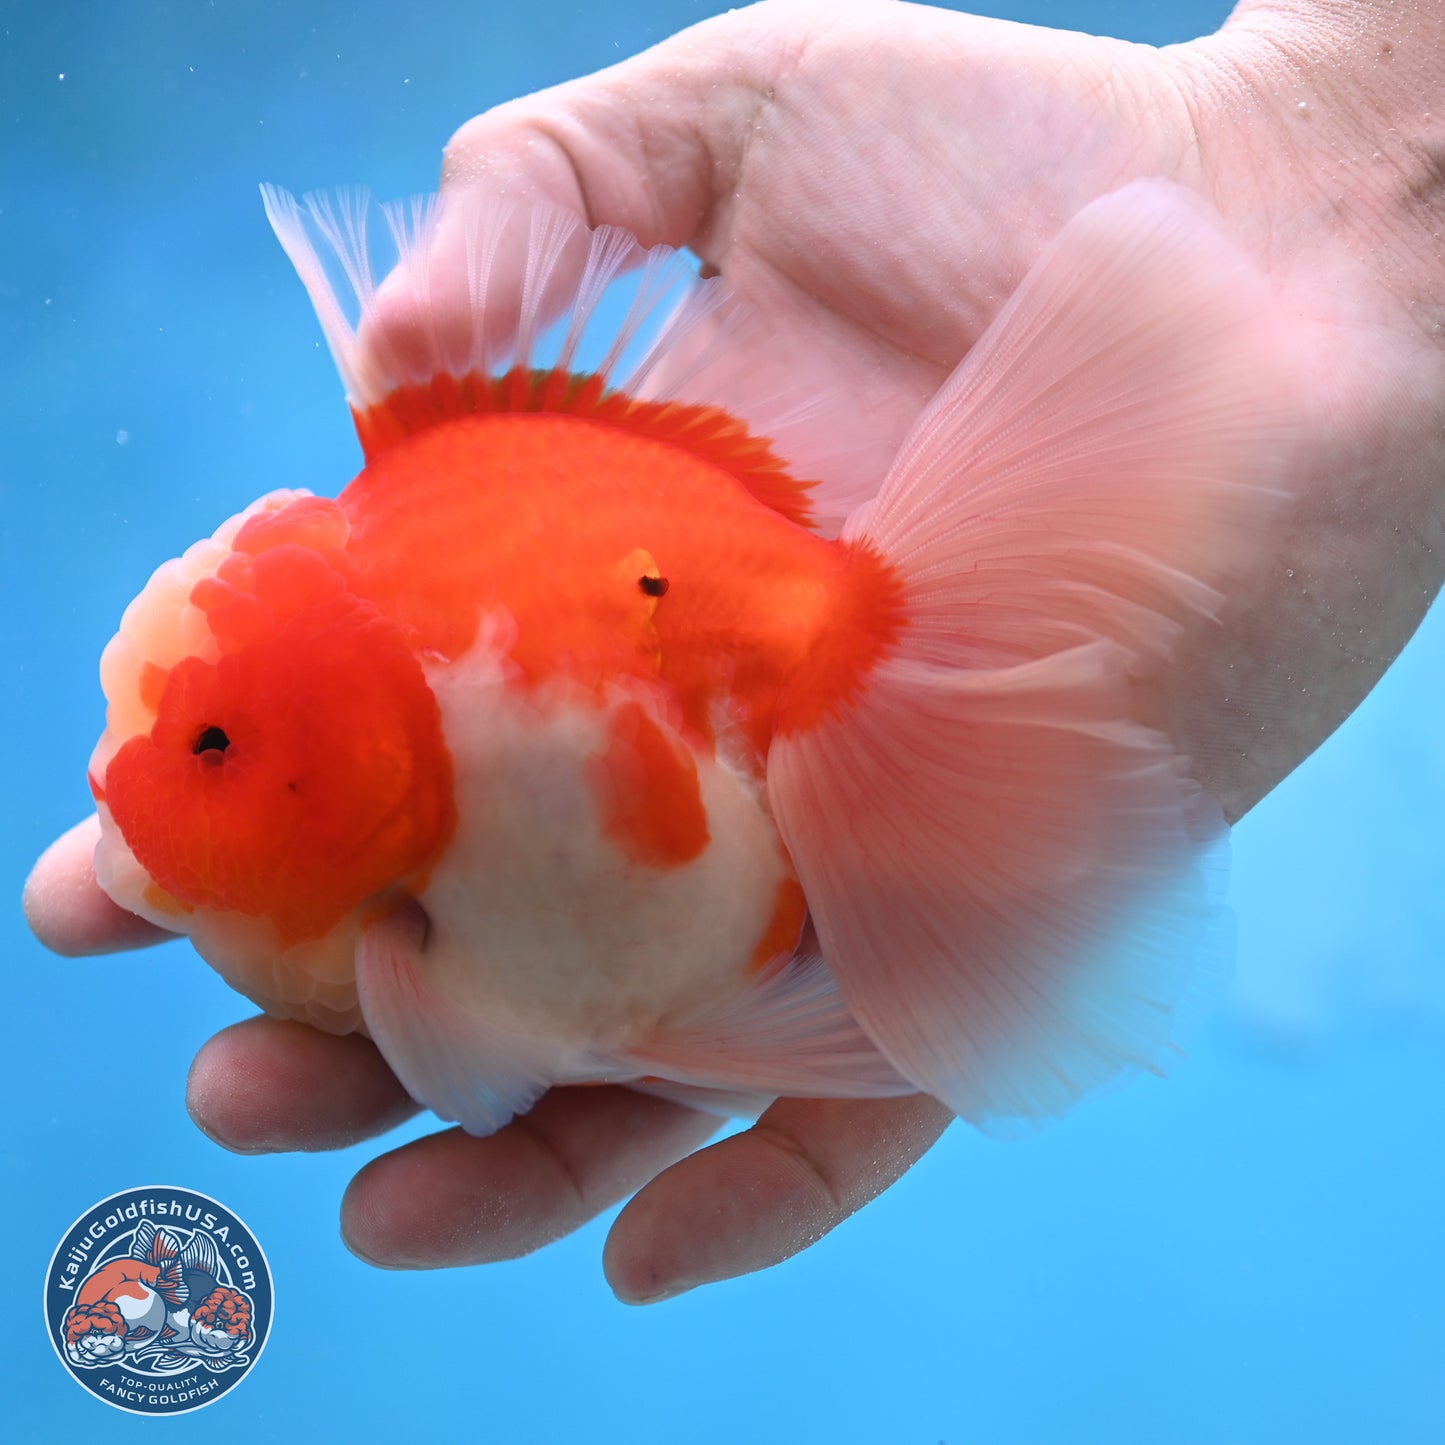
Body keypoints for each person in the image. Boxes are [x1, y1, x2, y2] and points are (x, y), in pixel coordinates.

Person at [24, 0, 1445, 1303]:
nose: (118, 775)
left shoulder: (406, 902)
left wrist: (1334, 143)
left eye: (209, 741)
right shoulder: (370, 885)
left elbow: (496, 1054)